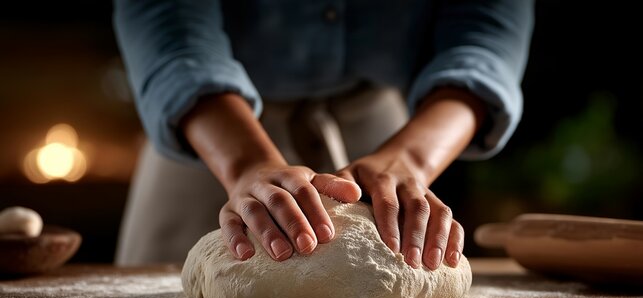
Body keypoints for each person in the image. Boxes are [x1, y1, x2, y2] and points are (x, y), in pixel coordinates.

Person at [112, 0, 534, 269]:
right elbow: (170, 33)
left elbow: (484, 39)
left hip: (388, 135)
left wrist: (412, 162)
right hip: (210, 134)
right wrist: (245, 165)